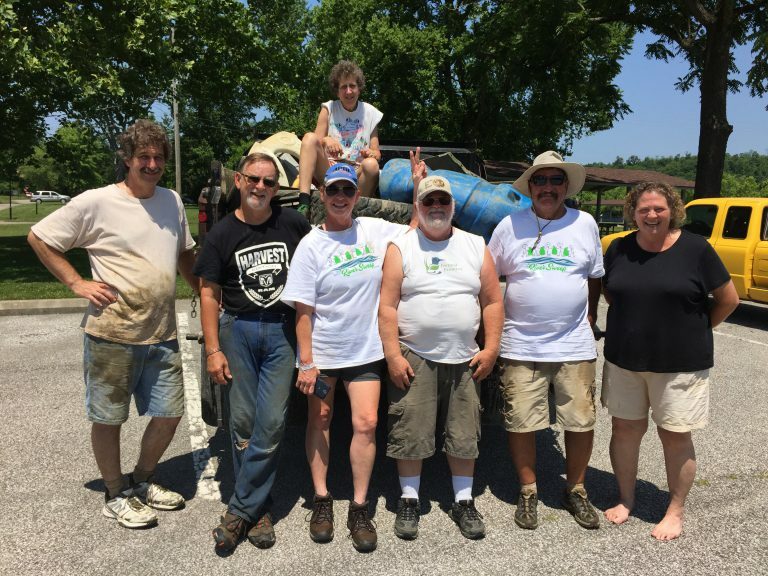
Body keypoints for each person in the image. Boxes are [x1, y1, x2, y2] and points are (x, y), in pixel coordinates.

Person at [27, 119, 197, 528]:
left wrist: (206, 292)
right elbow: (40, 236)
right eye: (144, 157)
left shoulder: (171, 201)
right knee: (109, 417)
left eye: (159, 157)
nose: (152, 164)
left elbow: (185, 254)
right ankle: (114, 492)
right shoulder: (97, 202)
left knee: (170, 413)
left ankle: (141, 480)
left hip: (162, 332)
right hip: (112, 333)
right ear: (127, 159)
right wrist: (75, 281)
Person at [282, 156, 421, 553]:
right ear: (322, 195)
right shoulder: (311, 244)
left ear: (357, 196)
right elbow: (303, 311)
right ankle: (322, 500)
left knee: (366, 423)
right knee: (320, 418)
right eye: (333, 190)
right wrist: (306, 362)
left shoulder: (373, 230)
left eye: (347, 190)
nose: (340, 197)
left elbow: (413, 227)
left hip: (364, 352)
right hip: (323, 355)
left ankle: (359, 507)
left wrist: (415, 184)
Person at [601, 182, 739, 541]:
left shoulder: (696, 249)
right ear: (633, 212)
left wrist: (695, 328)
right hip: (625, 360)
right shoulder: (618, 248)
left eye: (659, 208)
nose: (651, 215)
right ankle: (626, 499)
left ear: (672, 210)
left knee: (675, 436)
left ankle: (674, 511)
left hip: (680, 364)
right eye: (644, 209)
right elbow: (611, 292)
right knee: (625, 431)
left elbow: (728, 299)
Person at [193, 152, 311, 553]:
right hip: (238, 330)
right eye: (254, 179)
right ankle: (258, 510)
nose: (261, 187)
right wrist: (213, 350)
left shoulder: (294, 225)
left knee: (273, 423)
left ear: (278, 189)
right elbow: (208, 294)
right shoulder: (223, 234)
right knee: (242, 423)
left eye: (270, 182)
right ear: (239, 182)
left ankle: (240, 510)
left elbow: (320, 260)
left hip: (281, 331)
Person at [378, 175, 503, 541]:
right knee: (410, 429)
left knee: (464, 432)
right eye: (428, 201)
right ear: (417, 207)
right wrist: (391, 356)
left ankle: (463, 501)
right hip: (413, 354)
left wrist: (492, 348)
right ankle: (409, 499)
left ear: (452, 207)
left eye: (442, 201)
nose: (436, 207)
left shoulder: (475, 245)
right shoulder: (400, 246)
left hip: (465, 358)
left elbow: (493, 301)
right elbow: (386, 306)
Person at [488, 150, 604, 531]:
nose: (548, 187)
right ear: (530, 187)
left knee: (581, 420)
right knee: (521, 421)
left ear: (566, 186)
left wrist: (591, 314)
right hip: (521, 343)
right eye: (541, 181)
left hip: (574, 343)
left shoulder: (585, 223)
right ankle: (528, 490)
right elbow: (489, 279)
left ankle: (576, 489)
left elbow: (595, 275)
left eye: (556, 180)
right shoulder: (509, 225)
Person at [297, 60, 382, 215]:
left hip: (355, 173)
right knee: (309, 137)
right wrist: (326, 140)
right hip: (329, 169)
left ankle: (358, 210)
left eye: (352, 86)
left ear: (359, 88)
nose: (348, 91)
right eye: (344, 87)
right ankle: (303, 202)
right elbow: (315, 141)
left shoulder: (371, 113)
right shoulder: (328, 108)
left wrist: (370, 153)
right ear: (337, 91)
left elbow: (377, 153)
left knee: (371, 165)